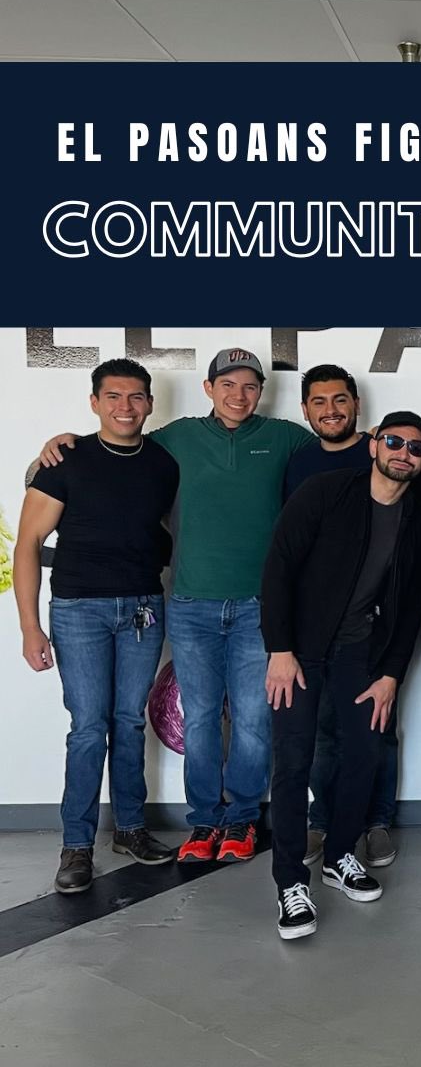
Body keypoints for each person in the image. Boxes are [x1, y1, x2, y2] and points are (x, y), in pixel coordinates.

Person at [38, 348, 315, 864]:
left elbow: (337, 451)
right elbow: (115, 445)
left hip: (259, 605)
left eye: (249, 386)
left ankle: (242, 819)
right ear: (208, 389)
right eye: (226, 384)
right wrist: (57, 445)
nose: (238, 395)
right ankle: (205, 821)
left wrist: (380, 441)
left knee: (253, 719)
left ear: (261, 391)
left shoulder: (285, 438)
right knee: (201, 717)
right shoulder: (175, 439)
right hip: (189, 604)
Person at [261, 412, 421, 940]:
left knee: (364, 753)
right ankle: (291, 882)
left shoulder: (420, 518)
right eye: (394, 441)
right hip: (300, 651)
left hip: (361, 653)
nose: (403, 453)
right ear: (373, 445)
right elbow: (279, 567)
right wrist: (280, 649)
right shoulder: (325, 492)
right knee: (294, 761)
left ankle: (339, 855)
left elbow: (412, 604)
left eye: (415, 448)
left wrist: (391, 674)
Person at [15, 359, 179, 893]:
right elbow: (28, 544)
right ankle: (77, 846)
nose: (124, 407)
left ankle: (130, 829)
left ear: (150, 403)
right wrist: (30, 627)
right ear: (94, 402)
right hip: (79, 609)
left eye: (135, 397)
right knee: (89, 727)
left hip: (142, 607)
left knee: (128, 722)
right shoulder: (65, 460)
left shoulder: (164, 462)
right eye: (113, 396)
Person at [285, 364, 400, 871]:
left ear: (356, 404)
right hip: (315, 626)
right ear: (305, 409)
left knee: (378, 725)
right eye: (319, 401)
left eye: (339, 400)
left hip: (371, 625)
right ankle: (324, 821)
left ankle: (375, 821)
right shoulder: (299, 462)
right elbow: (289, 548)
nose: (330, 410)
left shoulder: (384, 451)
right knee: (324, 729)